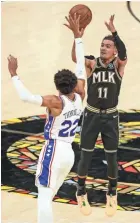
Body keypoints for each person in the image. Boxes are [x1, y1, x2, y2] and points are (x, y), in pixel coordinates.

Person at [7, 16, 86, 223]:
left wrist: (14, 74)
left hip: (54, 150)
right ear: (73, 84)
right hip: (69, 153)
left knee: (43, 196)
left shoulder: (55, 102)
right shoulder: (80, 96)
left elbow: (26, 97)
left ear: (57, 86)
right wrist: (78, 37)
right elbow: (80, 65)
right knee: (48, 196)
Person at [65, 14, 127, 216]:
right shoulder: (92, 63)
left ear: (114, 50)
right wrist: (77, 37)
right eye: (102, 44)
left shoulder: (119, 65)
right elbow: (76, 57)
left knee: (112, 157)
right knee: (86, 155)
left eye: (108, 45)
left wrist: (114, 32)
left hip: (110, 116)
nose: (103, 47)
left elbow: (125, 53)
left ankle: (112, 193)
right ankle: (81, 191)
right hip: (91, 114)